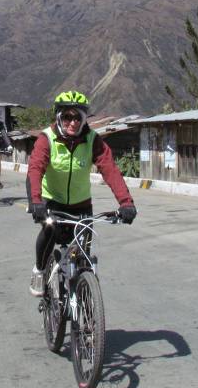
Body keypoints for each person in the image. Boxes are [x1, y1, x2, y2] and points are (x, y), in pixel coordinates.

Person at [27, 91, 137, 296]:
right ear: (59, 117)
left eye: (78, 117)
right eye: (67, 116)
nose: (73, 122)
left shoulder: (92, 140)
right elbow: (35, 169)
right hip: (52, 203)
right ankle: (40, 270)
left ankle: (84, 304)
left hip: (81, 206)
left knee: (83, 259)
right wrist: (35, 201)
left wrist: (126, 203)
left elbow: (110, 170)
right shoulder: (47, 139)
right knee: (49, 232)